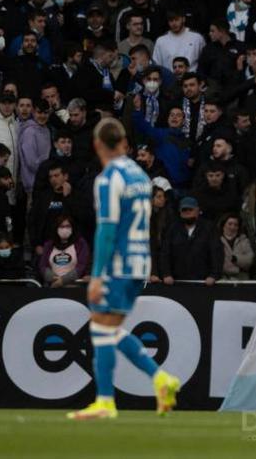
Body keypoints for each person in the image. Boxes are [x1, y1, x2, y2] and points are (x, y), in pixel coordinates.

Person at [67, 118, 180, 420]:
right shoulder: (141, 176)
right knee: (106, 327)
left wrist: (98, 273)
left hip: (118, 263)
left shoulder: (108, 179)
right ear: (124, 144)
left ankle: (106, 401)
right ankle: (159, 379)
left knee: (102, 328)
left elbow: (106, 230)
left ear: (97, 144)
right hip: (140, 261)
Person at [157, 196, 223, 285]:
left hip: (203, 282)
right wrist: (166, 274)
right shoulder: (172, 229)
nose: (187, 212)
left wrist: (214, 275)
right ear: (180, 212)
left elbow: (216, 252)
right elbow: (165, 253)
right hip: (177, 282)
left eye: (190, 209)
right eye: (184, 210)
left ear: (197, 210)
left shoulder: (209, 228)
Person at [39, 214, 90, 288]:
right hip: (52, 287)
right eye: (61, 226)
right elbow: (43, 266)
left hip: (74, 288)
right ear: (56, 228)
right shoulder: (49, 245)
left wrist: (62, 281)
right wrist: (55, 280)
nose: (64, 229)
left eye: (67, 226)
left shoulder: (80, 243)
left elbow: (82, 265)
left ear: (72, 228)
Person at [219, 213, 255, 280]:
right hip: (223, 280)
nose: (232, 227)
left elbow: (250, 259)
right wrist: (238, 269)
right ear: (223, 225)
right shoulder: (217, 240)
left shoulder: (244, 240)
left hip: (242, 280)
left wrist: (235, 259)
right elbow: (218, 262)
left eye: (235, 225)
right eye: (230, 224)